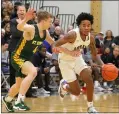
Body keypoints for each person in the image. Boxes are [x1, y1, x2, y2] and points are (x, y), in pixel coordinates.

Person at [2, 9, 55, 112]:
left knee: (18, 85)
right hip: (17, 57)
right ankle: (19, 101)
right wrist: (26, 18)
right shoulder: (32, 28)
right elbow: (19, 27)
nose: (51, 24)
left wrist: (68, 49)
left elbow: (54, 43)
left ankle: (7, 99)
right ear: (43, 21)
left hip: (26, 59)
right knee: (33, 71)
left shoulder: (45, 32)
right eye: (50, 21)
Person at [52, 12, 104, 113]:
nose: (86, 27)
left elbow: (94, 55)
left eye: (88, 25)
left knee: (88, 78)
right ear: (79, 25)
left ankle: (90, 107)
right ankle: (64, 86)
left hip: (77, 59)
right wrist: (70, 52)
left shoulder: (91, 38)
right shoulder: (72, 35)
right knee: (76, 92)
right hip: (64, 61)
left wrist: (103, 65)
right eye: (83, 25)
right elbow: (55, 45)